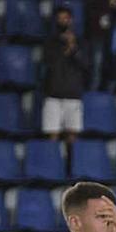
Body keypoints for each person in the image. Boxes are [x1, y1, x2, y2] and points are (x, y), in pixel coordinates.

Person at [40, 11, 90, 143]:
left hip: (73, 94)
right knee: (52, 135)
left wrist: (73, 48)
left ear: (71, 20)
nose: (63, 21)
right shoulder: (50, 43)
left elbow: (85, 64)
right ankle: (52, 163)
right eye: (60, 18)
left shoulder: (81, 42)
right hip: (53, 94)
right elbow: (50, 62)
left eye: (66, 18)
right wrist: (66, 50)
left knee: (73, 135)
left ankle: (70, 163)